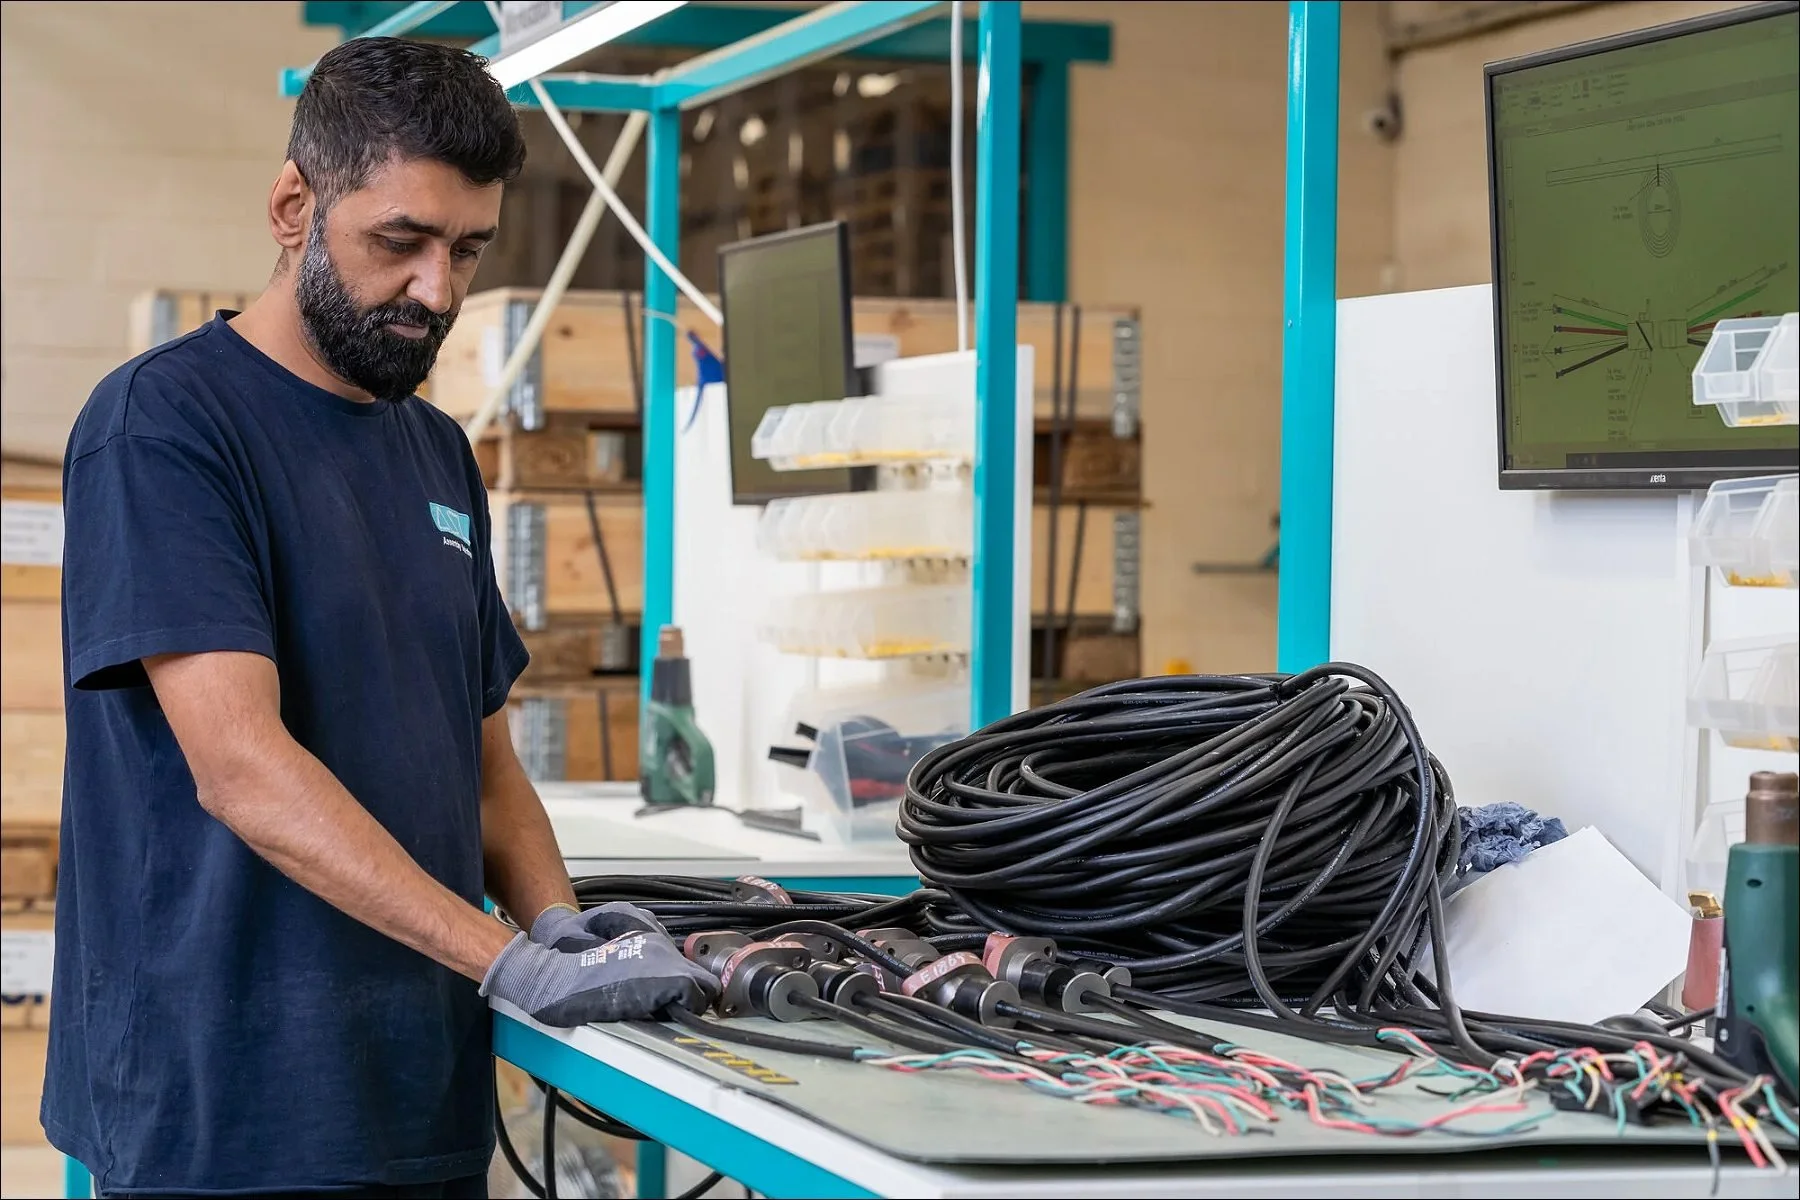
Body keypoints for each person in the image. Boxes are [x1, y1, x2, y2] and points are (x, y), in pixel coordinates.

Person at [45, 38, 717, 1199]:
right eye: (398, 242)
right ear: (293, 205)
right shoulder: (163, 426)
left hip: (415, 1087)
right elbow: (243, 768)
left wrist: (561, 932)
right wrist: (507, 960)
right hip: (226, 1106)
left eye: (465, 250)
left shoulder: (437, 448)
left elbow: (484, 756)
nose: (436, 291)